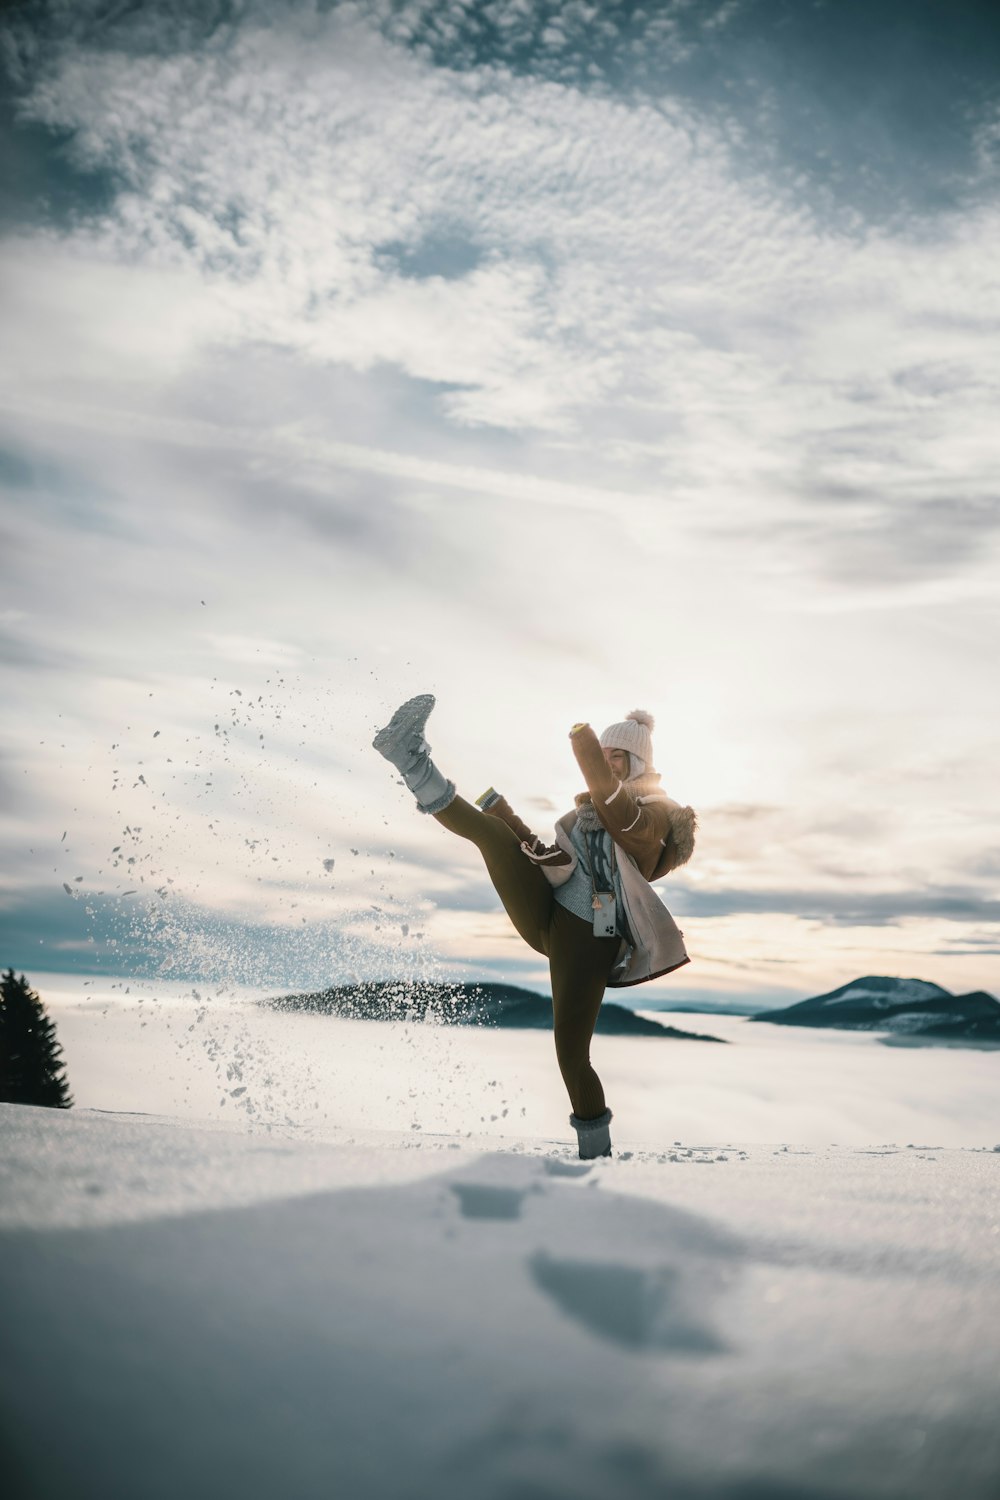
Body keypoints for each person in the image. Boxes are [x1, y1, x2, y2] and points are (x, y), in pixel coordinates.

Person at [372, 695, 696, 1158]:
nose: (606, 764)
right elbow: (555, 854)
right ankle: (409, 759)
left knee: (570, 1054)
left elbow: (617, 811)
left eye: (616, 756)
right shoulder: (589, 812)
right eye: (602, 755)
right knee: (492, 835)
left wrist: (584, 741)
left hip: (593, 930)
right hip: (551, 908)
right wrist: (505, 814)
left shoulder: (654, 817)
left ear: (639, 761)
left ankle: (596, 1154)